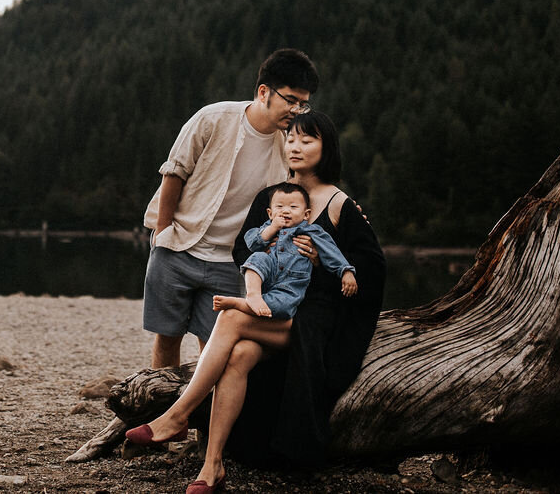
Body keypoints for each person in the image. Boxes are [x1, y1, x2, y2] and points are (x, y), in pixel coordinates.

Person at [128, 112, 386, 493]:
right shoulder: (274, 197)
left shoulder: (338, 203)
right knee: (239, 354)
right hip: (273, 308)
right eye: (292, 139)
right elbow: (241, 248)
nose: (296, 147)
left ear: (326, 148)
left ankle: (177, 414)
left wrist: (320, 263)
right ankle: (212, 465)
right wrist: (271, 239)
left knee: (231, 318)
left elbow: (371, 268)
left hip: (313, 319)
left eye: (307, 140)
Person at [142, 49, 320, 369]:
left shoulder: (289, 148)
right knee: (166, 337)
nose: (297, 110)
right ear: (264, 91)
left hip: (230, 261)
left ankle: (200, 417)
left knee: (213, 347)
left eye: (302, 103)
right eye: (290, 99)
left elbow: (308, 194)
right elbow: (174, 172)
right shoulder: (213, 118)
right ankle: (163, 416)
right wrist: (164, 231)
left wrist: (348, 211)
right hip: (179, 245)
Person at [216, 181, 357, 321]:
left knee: (283, 307)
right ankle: (253, 294)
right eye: (279, 206)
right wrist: (272, 228)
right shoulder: (267, 228)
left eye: (293, 207)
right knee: (257, 257)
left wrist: (346, 271)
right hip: (265, 276)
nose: (285, 210)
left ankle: (239, 304)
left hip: (290, 286)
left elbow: (331, 251)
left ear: (306, 214)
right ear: (270, 213)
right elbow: (251, 243)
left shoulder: (312, 232)